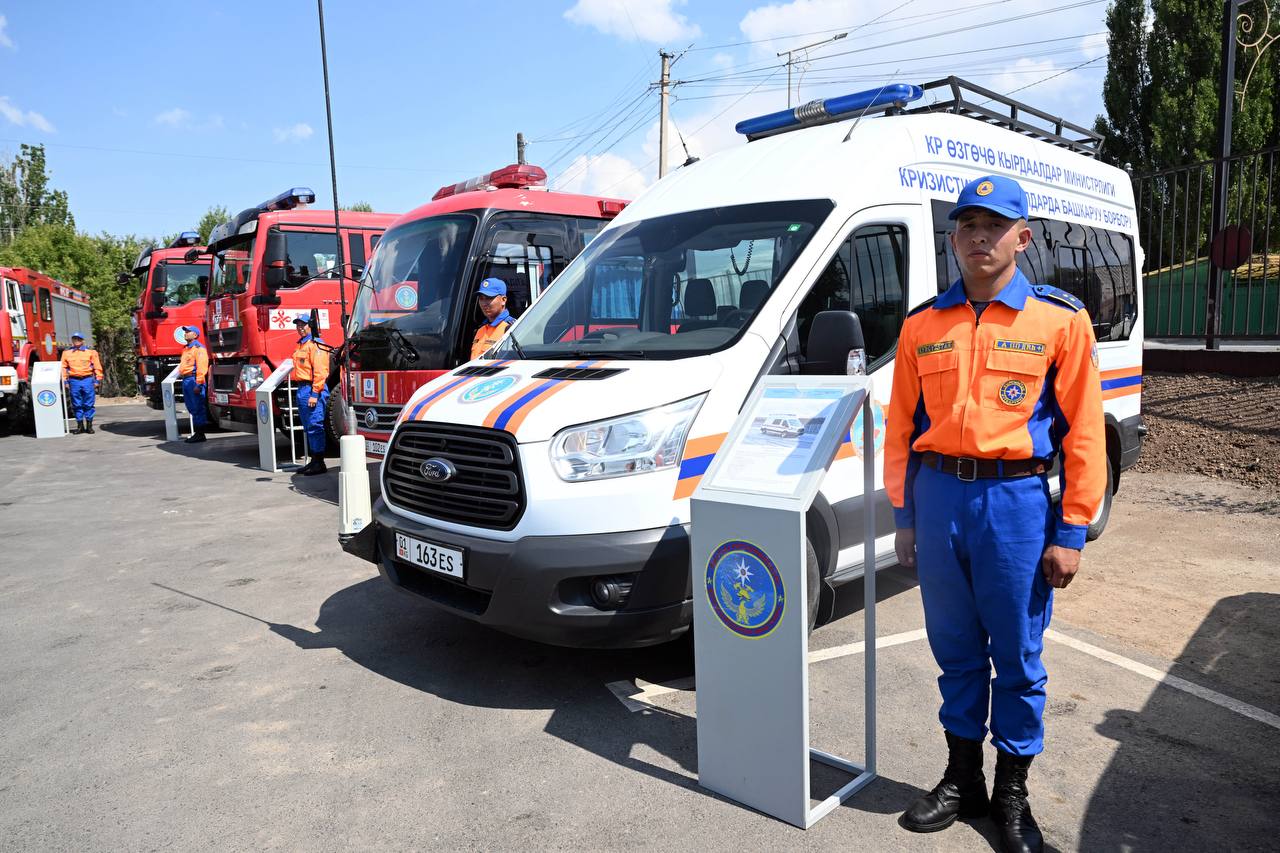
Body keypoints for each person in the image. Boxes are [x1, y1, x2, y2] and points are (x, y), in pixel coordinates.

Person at [883, 175, 1105, 853]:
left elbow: (1085, 433)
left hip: (1015, 504)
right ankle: (963, 778)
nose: (979, 237)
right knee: (954, 649)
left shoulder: (1059, 320)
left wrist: (1071, 531)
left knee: (1016, 654)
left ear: (1023, 237)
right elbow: (900, 428)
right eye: (968, 226)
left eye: (994, 226)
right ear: (953, 238)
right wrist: (904, 515)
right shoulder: (923, 324)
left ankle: (1012, 791)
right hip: (939, 499)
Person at [291, 314, 330, 475]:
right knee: (308, 426)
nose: (300, 328)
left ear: (310, 326)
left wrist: (315, 393)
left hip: (312, 389)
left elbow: (321, 372)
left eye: (303, 325)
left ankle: (319, 463)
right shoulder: (302, 345)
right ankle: (314, 461)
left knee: (315, 426)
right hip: (302, 389)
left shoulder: (316, 345)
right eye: (298, 325)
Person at [59, 332, 103, 434]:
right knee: (76, 404)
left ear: (83, 341)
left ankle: (89, 426)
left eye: (79, 339)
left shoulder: (91, 352)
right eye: (74, 339)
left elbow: (97, 366)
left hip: (87, 380)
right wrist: (65, 381)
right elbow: (63, 368)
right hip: (74, 381)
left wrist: (97, 380)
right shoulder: (66, 353)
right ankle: (80, 426)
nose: (76, 341)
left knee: (89, 403)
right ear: (72, 340)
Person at [178, 325, 210, 443]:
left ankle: (200, 434)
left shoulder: (199, 349)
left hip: (193, 380)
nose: (185, 333)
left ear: (195, 335)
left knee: (197, 407)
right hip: (186, 380)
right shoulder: (186, 349)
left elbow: (202, 367)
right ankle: (198, 433)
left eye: (188, 331)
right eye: (185, 331)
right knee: (191, 407)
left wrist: (199, 384)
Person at [470, 277, 513, 360]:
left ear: (503, 300)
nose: (484, 303)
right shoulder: (480, 329)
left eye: (489, 298)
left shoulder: (511, 328)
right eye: (481, 298)